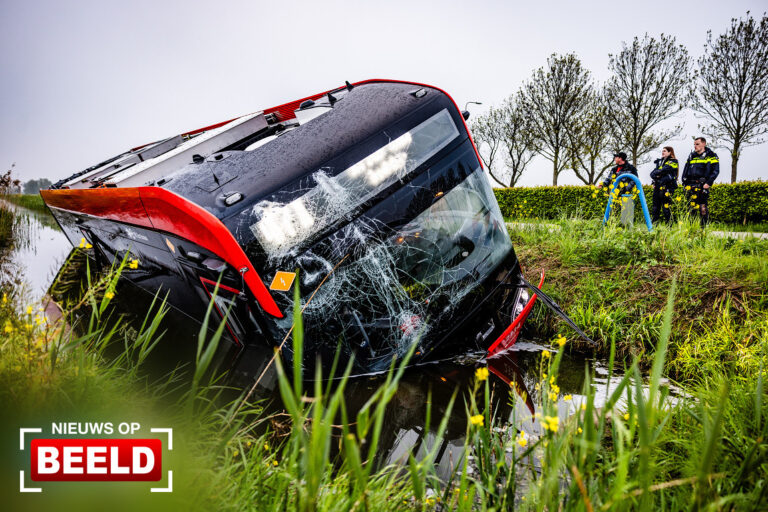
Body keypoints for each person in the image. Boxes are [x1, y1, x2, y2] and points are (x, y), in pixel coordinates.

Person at [681, 137, 719, 227]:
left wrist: (708, 183)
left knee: (703, 208)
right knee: (691, 209)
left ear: (704, 144)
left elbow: (715, 171)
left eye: (697, 144)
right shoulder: (691, 155)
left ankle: (703, 229)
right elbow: (685, 170)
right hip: (690, 185)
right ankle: (691, 229)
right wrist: (684, 182)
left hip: (703, 185)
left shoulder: (711, 155)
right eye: (694, 144)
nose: (695, 146)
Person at [649, 146, 679, 224]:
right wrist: (658, 175)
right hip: (658, 186)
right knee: (655, 207)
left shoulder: (674, 161)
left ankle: (669, 225)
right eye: (662, 151)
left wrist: (659, 173)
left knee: (666, 207)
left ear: (670, 152)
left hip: (668, 187)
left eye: (665, 151)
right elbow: (652, 174)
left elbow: (665, 170)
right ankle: (654, 225)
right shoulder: (659, 162)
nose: (663, 152)